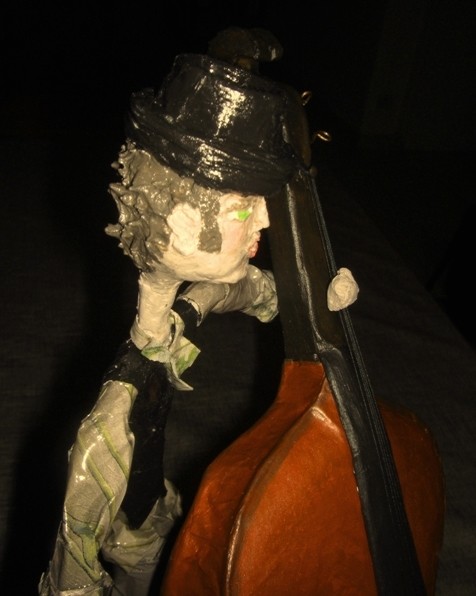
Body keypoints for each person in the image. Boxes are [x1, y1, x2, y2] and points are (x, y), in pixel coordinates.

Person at [39, 27, 357, 596]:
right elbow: (73, 556)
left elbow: (246, 294)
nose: (266, 220)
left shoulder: (186, 307)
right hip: (135, 545)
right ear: (182, 224)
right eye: (244, 211)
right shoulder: (105, 428)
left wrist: (315, 301)